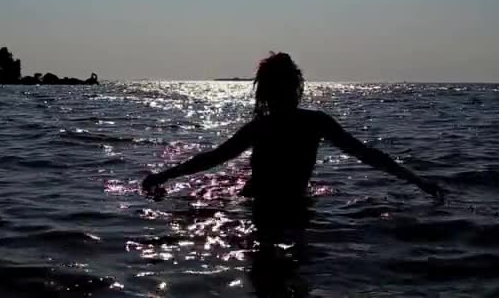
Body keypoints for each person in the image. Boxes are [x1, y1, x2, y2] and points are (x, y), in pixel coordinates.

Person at [142, 52, 444, 227]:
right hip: (280, 206)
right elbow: (367, 155)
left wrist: (163, 176)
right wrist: (418, 182)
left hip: (260, 207)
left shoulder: (271, 126)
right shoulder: (308, 123)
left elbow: (212, 158)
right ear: (296, 86)